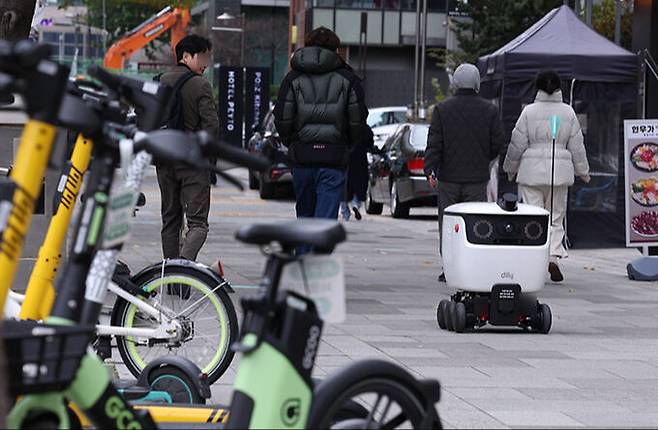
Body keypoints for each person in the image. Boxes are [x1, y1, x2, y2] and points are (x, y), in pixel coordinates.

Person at [274, 27, 369, 246]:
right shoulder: (348, 79)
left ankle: (304, 269)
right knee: (325, 224)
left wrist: (294, 142)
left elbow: (283, 118)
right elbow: (357, 120)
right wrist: (347, 144)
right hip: (333, 159)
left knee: (304, 219)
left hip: (302, 158)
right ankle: (315, 273)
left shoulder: (293, 78)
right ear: (336, 50)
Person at [503, 69, 590, 282]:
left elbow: (517, 144)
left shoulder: (528, 112)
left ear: (537, 88)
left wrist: (510, 169)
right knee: (556, 217)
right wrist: (583, 172)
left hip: (531, 173)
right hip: (559, 173)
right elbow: (577, 146)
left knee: (534, 217)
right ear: (559, 88)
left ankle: (534, 261)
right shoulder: (568, 112)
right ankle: (552, 257)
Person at [424, 63, 505, 282]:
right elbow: (498, 143)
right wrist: (483, 159)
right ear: (477, 83)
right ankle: (471, 265)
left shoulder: (442, 109)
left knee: (448, 223)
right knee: (474, 224)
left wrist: (430, 169)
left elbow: (434, 143)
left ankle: (448, 268)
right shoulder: (489, 110)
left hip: (448, 177)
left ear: (455, 83)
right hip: (476, 178)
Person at [156, 34, 218, 261]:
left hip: (164, 159)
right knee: (198, 224)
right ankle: (184, 267)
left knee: (170, 220)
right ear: (186, 56)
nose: (205, 64)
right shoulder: (200, 84)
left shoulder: (160, 81)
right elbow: (211, 126)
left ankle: (172, 278)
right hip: (192, 161)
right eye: (202, 57)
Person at [341, 125, 374, 221]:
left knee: (343, 185)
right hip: (360, 159)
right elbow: (369, 143)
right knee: (359, 184)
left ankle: (345, 212)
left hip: (344, 158)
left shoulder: (343, 125)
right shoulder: (364, 127)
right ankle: (356, 204)